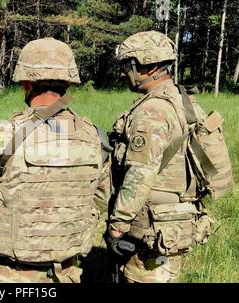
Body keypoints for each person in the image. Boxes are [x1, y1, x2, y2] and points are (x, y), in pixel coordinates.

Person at [0, 37, 111, 283]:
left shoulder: (6, 135)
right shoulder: (94, 136)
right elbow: (100, 199)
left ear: (26, 83)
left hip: (9, 274)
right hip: (67, 273)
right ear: (68, 82)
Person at [106, 31, 217, 283]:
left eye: (128, 65)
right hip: (176, 218)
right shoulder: (184, 101)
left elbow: (141, 171)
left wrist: (118, 224)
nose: (124, 73)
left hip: (150, 223)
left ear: (150, 66)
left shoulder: (152, 111)